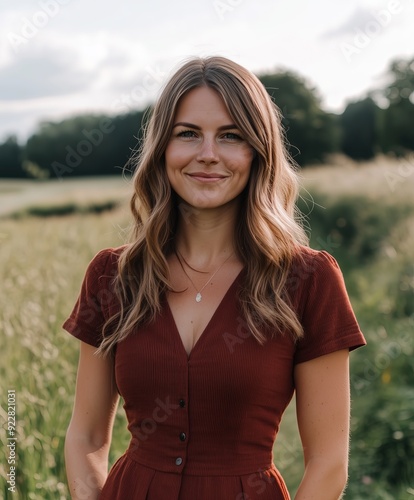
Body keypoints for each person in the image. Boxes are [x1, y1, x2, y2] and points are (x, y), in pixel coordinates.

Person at [63, 56, 366, 500]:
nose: (208, 154)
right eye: (188, 133)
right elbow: (87, 438)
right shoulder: (113, 276)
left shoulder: (309, 280)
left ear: (258, 151)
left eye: (231, 136)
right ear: (162, 148)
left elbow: (328, 465)